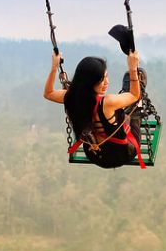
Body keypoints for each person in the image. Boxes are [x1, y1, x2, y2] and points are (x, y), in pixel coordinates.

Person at [43, 39, 143, 168]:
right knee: (134, 109)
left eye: (106, 76)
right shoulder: (108, 102)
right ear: (90, 82)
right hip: (121, 155)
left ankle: (126, 93)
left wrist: (54, 67)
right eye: (102, 80)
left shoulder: (73, 97)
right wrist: (133, 69)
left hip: (94, 155)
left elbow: (48, 93)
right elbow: (134, 95)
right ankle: (135, 107)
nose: (106, 82)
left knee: (121, 107)